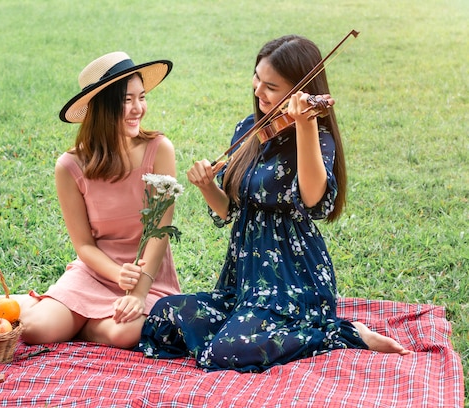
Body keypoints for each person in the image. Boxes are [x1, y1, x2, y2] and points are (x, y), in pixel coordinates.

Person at [138, 35, 410, 372]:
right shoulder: (248, 130)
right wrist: (207, 186)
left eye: (271, 86)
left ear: (298, 91)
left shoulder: (315, 136)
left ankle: (341, 333)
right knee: (165, 316)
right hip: (244, 283)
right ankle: (251, 329)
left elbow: (313, 201)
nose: (258, 91)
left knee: (223, 354)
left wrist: (306, 123)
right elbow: (232, 211)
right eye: (257, 78)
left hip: (291, 282)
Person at [0, 51, 181, 349]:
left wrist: (136, 293)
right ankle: (53, 307)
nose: (138, 109)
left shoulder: (159, 150)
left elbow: (160, 233)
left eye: (142, 97)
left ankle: (79, 322)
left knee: (126, 334)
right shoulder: (69, 166)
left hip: (147, 276)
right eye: (127, 100)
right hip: (95, 273)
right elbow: (83, 245)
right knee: (33, 330)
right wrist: (116, 273)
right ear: (102, 108)